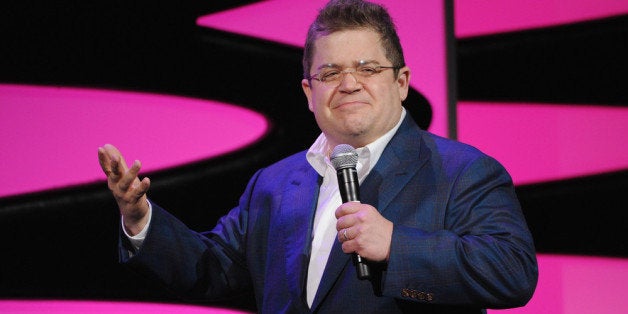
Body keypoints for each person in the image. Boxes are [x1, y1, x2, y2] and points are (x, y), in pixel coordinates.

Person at [98, 0, 538, 312]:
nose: (348, 84)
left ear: (401, 82)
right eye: (330, 73)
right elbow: (211, 269)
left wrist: (395, 245)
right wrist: (140, 220)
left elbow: (512, 273)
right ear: (310, 93)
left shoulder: (462, 171)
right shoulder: (274, 184)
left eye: (367, 69)